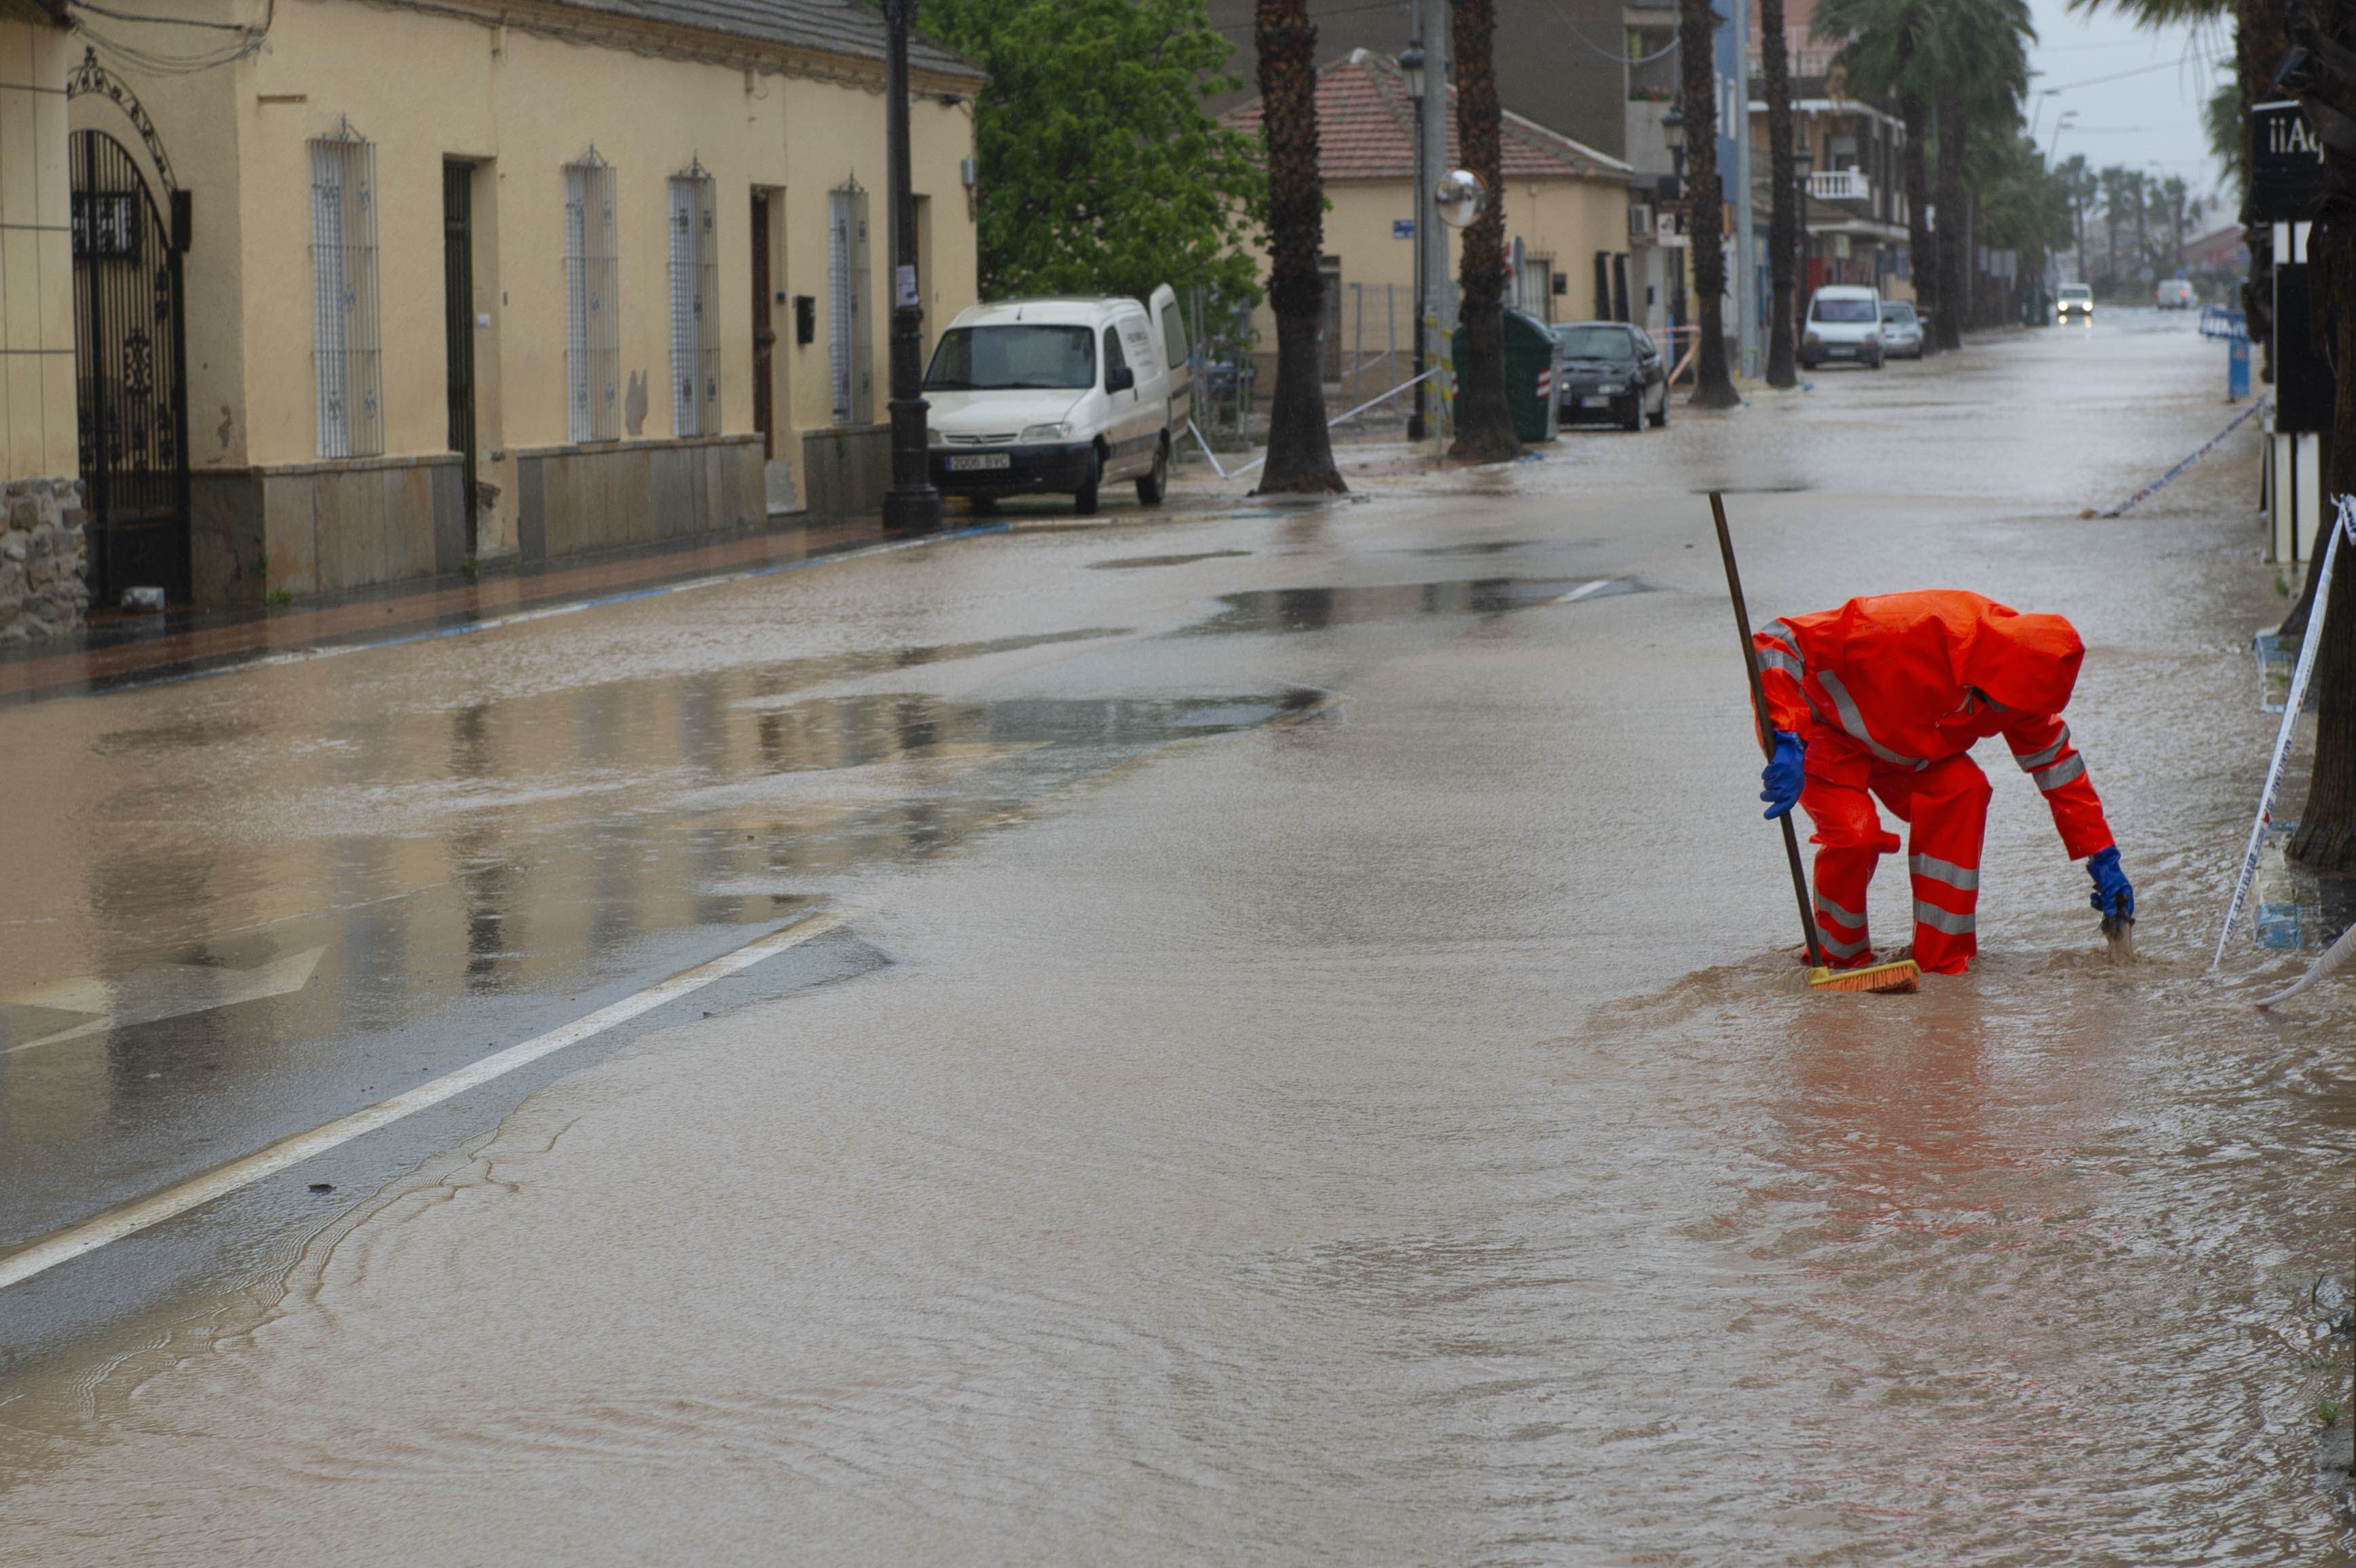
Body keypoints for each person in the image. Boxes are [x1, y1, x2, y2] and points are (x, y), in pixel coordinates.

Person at [1753, 590, 2133, 974]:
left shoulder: (2024, 685)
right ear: (1994, 672)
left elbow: (2056, 764)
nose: (2006, 713)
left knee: (1964, 790)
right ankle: (1837, 958)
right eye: (2001, 702)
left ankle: (1941, 961)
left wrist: (2102, 854)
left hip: (1908, 750)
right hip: (1820, 734)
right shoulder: (1907, 625)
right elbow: (1778, 639)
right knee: (1856, 835)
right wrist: (1786, 735)